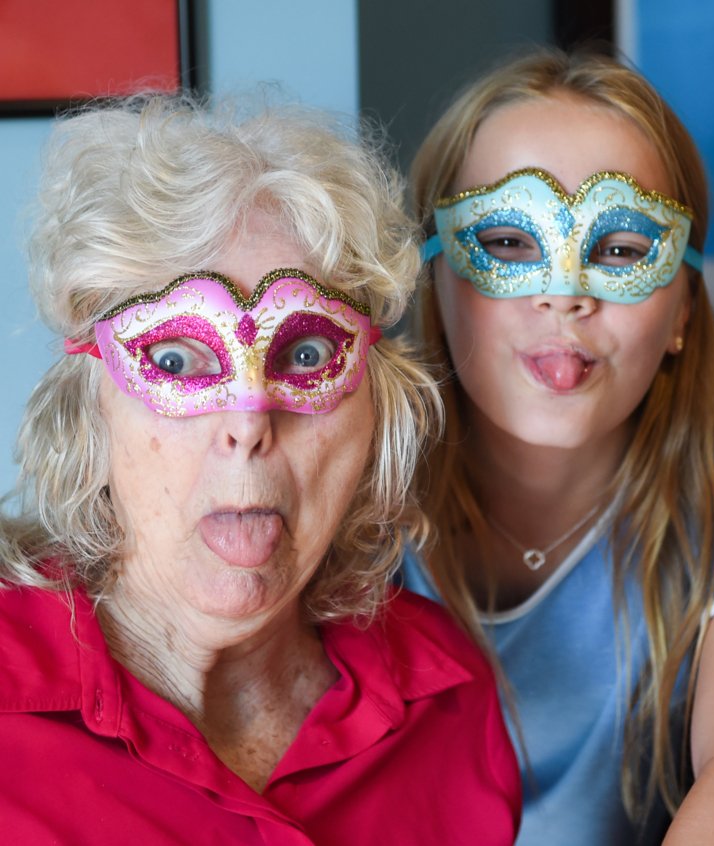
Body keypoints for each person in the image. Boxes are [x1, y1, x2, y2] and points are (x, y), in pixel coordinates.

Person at [0, 95, 521, 845]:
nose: (248, 424)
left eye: (306, 354)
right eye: (176, 360)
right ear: (92, 406)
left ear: (379, 406)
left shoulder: (449, 705)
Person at [400, 47, 714, 845]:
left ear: (684, 308)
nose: (565, 294)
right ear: (438, 286)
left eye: (621, 250)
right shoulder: (348, 491)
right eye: (509, 243)